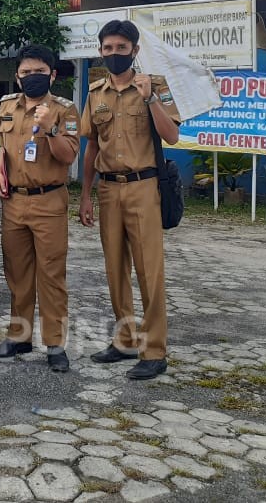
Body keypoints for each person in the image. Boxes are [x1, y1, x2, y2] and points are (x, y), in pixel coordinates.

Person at [78, 20, 181, 381]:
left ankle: (154, 351)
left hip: (144, 188)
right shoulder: (95, 94)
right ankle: (124, 340)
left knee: (149, 271)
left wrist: (150, 98)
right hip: (108, 190)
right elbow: (91, 145)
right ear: (101, 52)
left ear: (135, 51)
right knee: (115, 269)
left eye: (121, 48)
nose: (114, 54)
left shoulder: (155, 86)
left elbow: (173, 135)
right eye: (108, 49)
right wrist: (86, 196)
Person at [0, 45, 80, 372]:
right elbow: (5, 147)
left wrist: (52, 127)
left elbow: (68, 155)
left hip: (49, 201)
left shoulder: (65, 110)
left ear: (52, 75)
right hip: (14, 203)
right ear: (17, 76)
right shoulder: (7, 106)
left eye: (39, 72)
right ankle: (19, 336)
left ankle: (55, 344)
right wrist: (0, 169)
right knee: (18, 274)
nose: (32, 77)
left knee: (51, 275)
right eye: (26, 73)